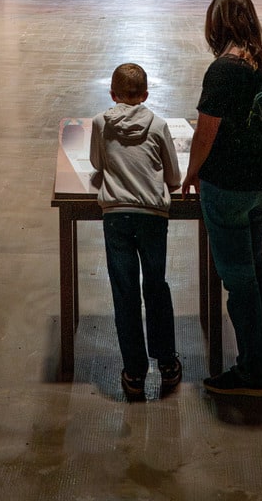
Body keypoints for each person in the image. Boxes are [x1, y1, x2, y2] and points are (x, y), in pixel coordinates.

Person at [183, 0, 262, 397]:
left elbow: (206, 133)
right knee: (256, 269)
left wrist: (191, 173)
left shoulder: (224, 70)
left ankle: (251, 373)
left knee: (239, 280)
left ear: (216, 25)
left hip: (230, 186)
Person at [89, 61, 183, 401]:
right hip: (152, 215)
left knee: (124, 291)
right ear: (145, 95)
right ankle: (168, 362)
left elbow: (97, 163)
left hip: (116, 214)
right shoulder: (157, 125)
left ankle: (134, 370)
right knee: (155, 286)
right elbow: (173, 176)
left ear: (112, 94)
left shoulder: (101, 123)